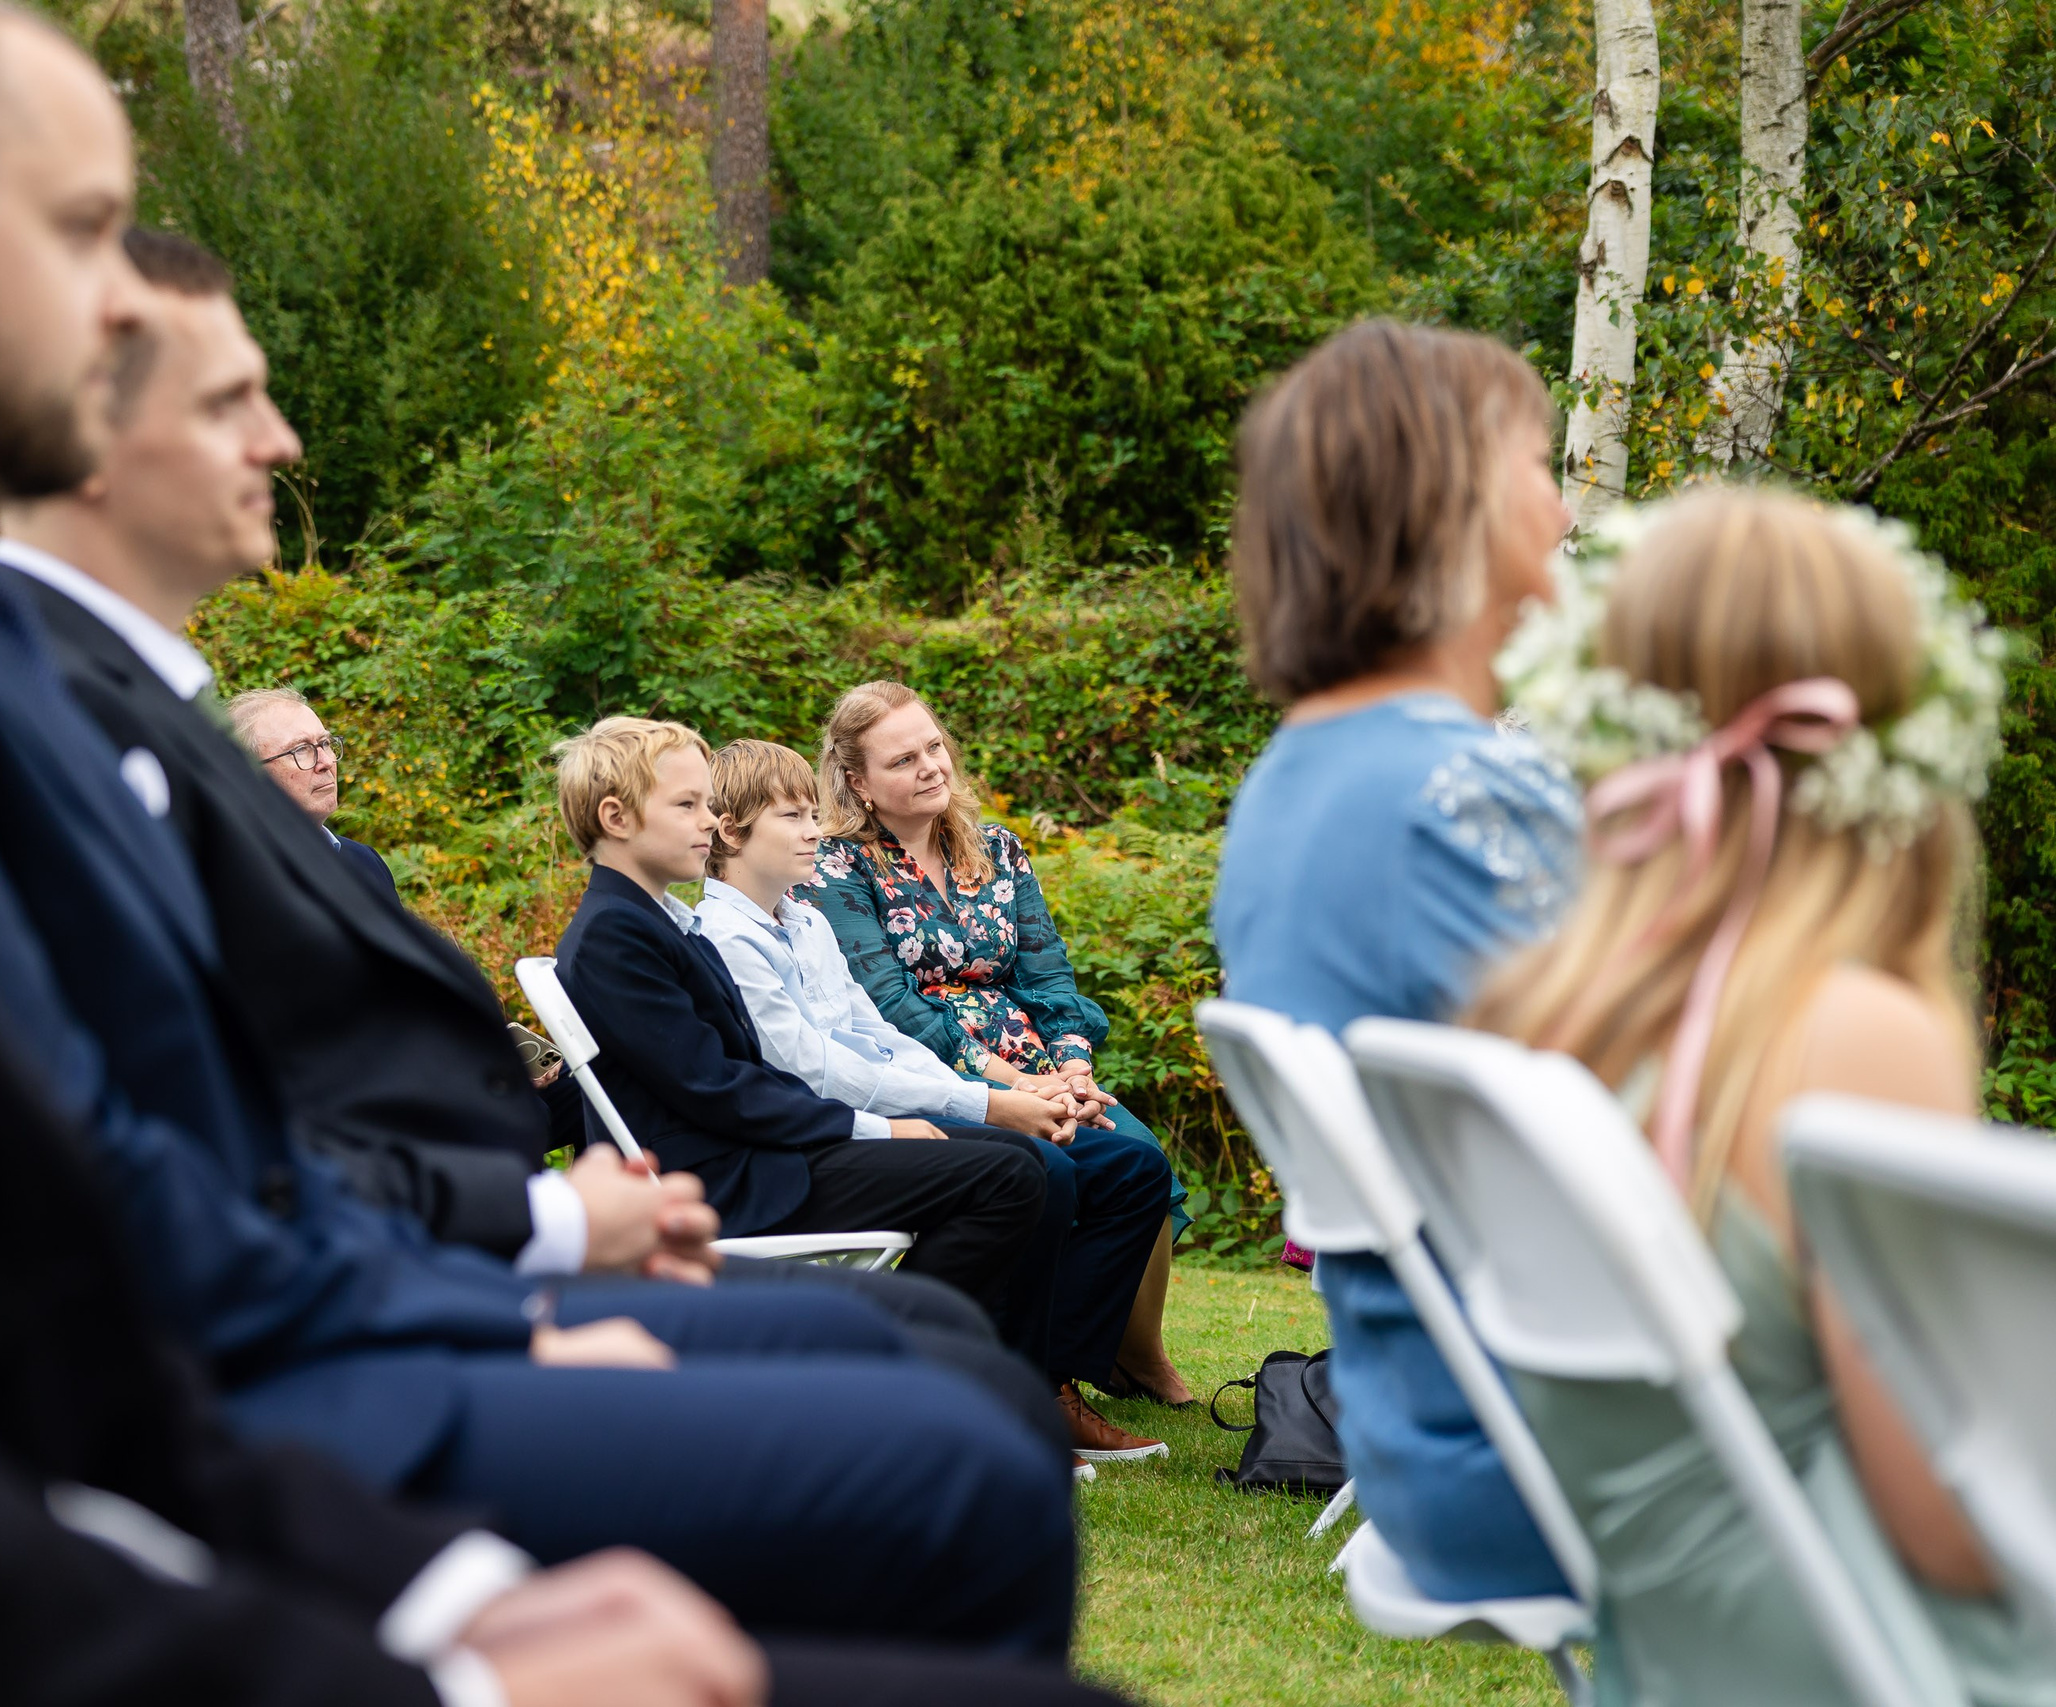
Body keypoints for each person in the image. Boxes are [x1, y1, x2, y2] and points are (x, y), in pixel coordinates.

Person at [0, 0, 1055, 1701]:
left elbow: (20, 1199)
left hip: (177, 1418)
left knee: (949, 1417)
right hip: (130, 1455)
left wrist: (423, 1539)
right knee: (956, 1466)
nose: (125, 318)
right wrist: (446, 1518)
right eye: (89, 232)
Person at [0, 228, 1050, 1400]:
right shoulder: (61, 741)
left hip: (451, 1265)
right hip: (348, 1344)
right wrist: (531, 1261)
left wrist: (531, 1232)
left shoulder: (175, 739)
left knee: (973, 1353)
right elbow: (216, 1153)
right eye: (230, 398)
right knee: (976, 1402)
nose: (280, 440)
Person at [1467, 487, 2049, 1705]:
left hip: (1671, 1653)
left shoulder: (1542, 1014)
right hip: (1861, 1655)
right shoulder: (1849, 1034)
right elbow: (1948, 1525)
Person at [1207, 317, 1578, 1602]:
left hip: (1423, 1422)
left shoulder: (1301, 778)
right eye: (1542, 464)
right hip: (1557, 1438)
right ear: (1452, 504)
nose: (1568, 502)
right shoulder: (1460, 787)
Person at [699, 738, 1173, 1464]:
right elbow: (821, 1071)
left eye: (811, 814)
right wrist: (989, 1105)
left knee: (1134, 1168)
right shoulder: (728, 939)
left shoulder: (805, 922)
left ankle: (1050, 1381)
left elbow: (877, 1035)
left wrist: (1000, 1090)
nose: (813, 830)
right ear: (731, 831)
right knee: (1037, 1170)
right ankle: (967, 1386)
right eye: (792, 816)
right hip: (831, 1135)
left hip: (929, 1090)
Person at [553, 716, 1053, 1320]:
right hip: (727, 1176)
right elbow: (718, 1088)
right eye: (687, 805)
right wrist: (874, 1129)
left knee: (1017, 1161)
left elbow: (741, 1074)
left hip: (758, 1150)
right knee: (1005, 1175)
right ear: (616, 819)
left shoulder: (655, 922)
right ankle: (890, 1355)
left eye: (708, 805)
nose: (709, 822)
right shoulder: (616, 933)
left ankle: (915, 1353)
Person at [806, 681, 1193, 1409]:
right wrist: (1016, 1086)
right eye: (903, 759)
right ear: (856, 780)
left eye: (933, 747)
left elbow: (1048, 970)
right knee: (1066, 1162)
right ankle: (1059, 1367)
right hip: (934, 1066)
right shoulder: (838, 867)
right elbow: (889, 1006)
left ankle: (1128, 1354)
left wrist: (1072, 1066)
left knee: (1137, 1151)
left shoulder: (996, 848)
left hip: (1035, 1060)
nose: (930, 766)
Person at [227, 683, 399, 900]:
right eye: (301, 750)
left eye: (325, 743)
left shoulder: (366, 863)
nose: (327, 762)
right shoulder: (231, 882)